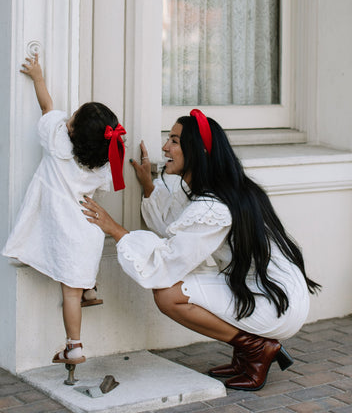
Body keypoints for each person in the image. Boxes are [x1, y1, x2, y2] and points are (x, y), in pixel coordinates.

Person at [81, 109, 320, 391]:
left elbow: (169, 260)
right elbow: (177, 229)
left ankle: (256, 349)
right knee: (185, 287)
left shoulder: (213, 206)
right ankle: (247, 353)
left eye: (174, 141)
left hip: (275, 302)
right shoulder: (223, 190)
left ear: (196, 151)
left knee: (169, 295)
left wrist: (115, 230)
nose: (164, 147)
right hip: (272, 290)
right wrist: (148, 187)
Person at [2, 54, 126, 366]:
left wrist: (37, 76)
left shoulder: (57, 142)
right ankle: (88, 290)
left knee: (68, 293)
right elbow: (99, 189)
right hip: (88, 231)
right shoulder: (106, 161)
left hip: (66, 231)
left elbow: (46, 107)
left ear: (72, 131)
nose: (66, 119)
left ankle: (74, 347)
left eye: (71, 118)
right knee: (77, 281)